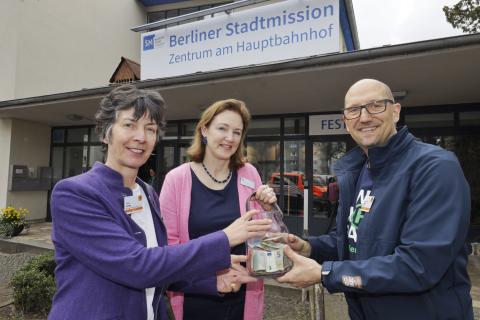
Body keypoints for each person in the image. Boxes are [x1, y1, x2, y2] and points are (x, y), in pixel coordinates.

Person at [49, 85, 272, 320]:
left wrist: (210, 281)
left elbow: (163, 265)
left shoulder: (147, 193)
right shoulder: (75, 194)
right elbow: (137, 266)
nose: (141, 137)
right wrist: (225, 237)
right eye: (129, 125)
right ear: (106, 133)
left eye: (150, 129)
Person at [277, 79, 473, 320]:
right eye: (354, 110)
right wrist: (309, 247)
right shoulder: (360, 170)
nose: (365, 117)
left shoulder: (434, 167)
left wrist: (326, 273)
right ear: (346, 121)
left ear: (396, 112)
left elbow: (417, 266)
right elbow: (352, 240)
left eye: (375, 105)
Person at [160, 99, 277, 320]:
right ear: (204, 130)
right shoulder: (177, 180)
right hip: (194, 297)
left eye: (237, 132)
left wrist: (268, 209)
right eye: (222, 128)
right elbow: (168, 250)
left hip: (243, 299)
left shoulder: (249, 174)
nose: (230, 138)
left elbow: (263, 238)